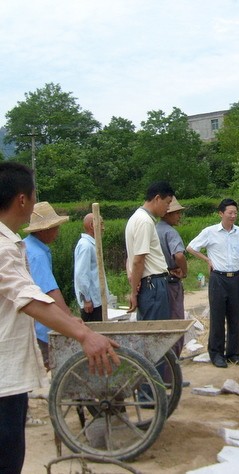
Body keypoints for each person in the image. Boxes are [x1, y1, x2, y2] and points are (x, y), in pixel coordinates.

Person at [0, 162, 119, 474]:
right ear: (22, 200)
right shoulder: (4, 246)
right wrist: (83, 334)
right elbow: (29, 296)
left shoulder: (14, 242)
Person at [186, 198, 239, 368]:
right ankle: (216, 354)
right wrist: (207, 259)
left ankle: (233, 353)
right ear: (221, 213)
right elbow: (191, 247)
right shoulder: (210, 232)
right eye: (230, 213)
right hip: (218, 278)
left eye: (235, 213)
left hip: (237, 278)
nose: (233, 216)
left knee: (235, 316)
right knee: (217, 317)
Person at [23, 201, 71, 370]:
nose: (57, 231)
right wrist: (69, 319)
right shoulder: (37, 255)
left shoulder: (28, 247)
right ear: (44, 230)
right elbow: (50, 290)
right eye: (54, 227)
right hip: (39, 324)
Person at [125, 181, 174, 321]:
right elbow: (138, 259)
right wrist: (133, 293)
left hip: (149, 283)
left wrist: (134, 279)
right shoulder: (144, 221)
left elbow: (130, 257)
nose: (168, 208)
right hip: (154, 284)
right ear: (157, 198)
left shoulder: (136, 218)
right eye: (167, 202)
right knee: (155, 331)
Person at [156, 196, 188, 357]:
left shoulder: (154, 229)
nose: (179, 216)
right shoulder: (170, 232)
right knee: (176, 324)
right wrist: (185, 271)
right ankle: (173, 368)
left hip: (157, 282)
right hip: (171, 279)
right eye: (176, 213)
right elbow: (179, 255)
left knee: (162, 325)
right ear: (167, 214)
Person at [74, 213, 110, 322]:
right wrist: (87, 299)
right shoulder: (85, 246)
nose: (103, 228)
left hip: (97, 300)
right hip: (92, 303)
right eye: (101, 224)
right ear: (92, 225)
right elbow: (81, 274)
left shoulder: (92, 245)